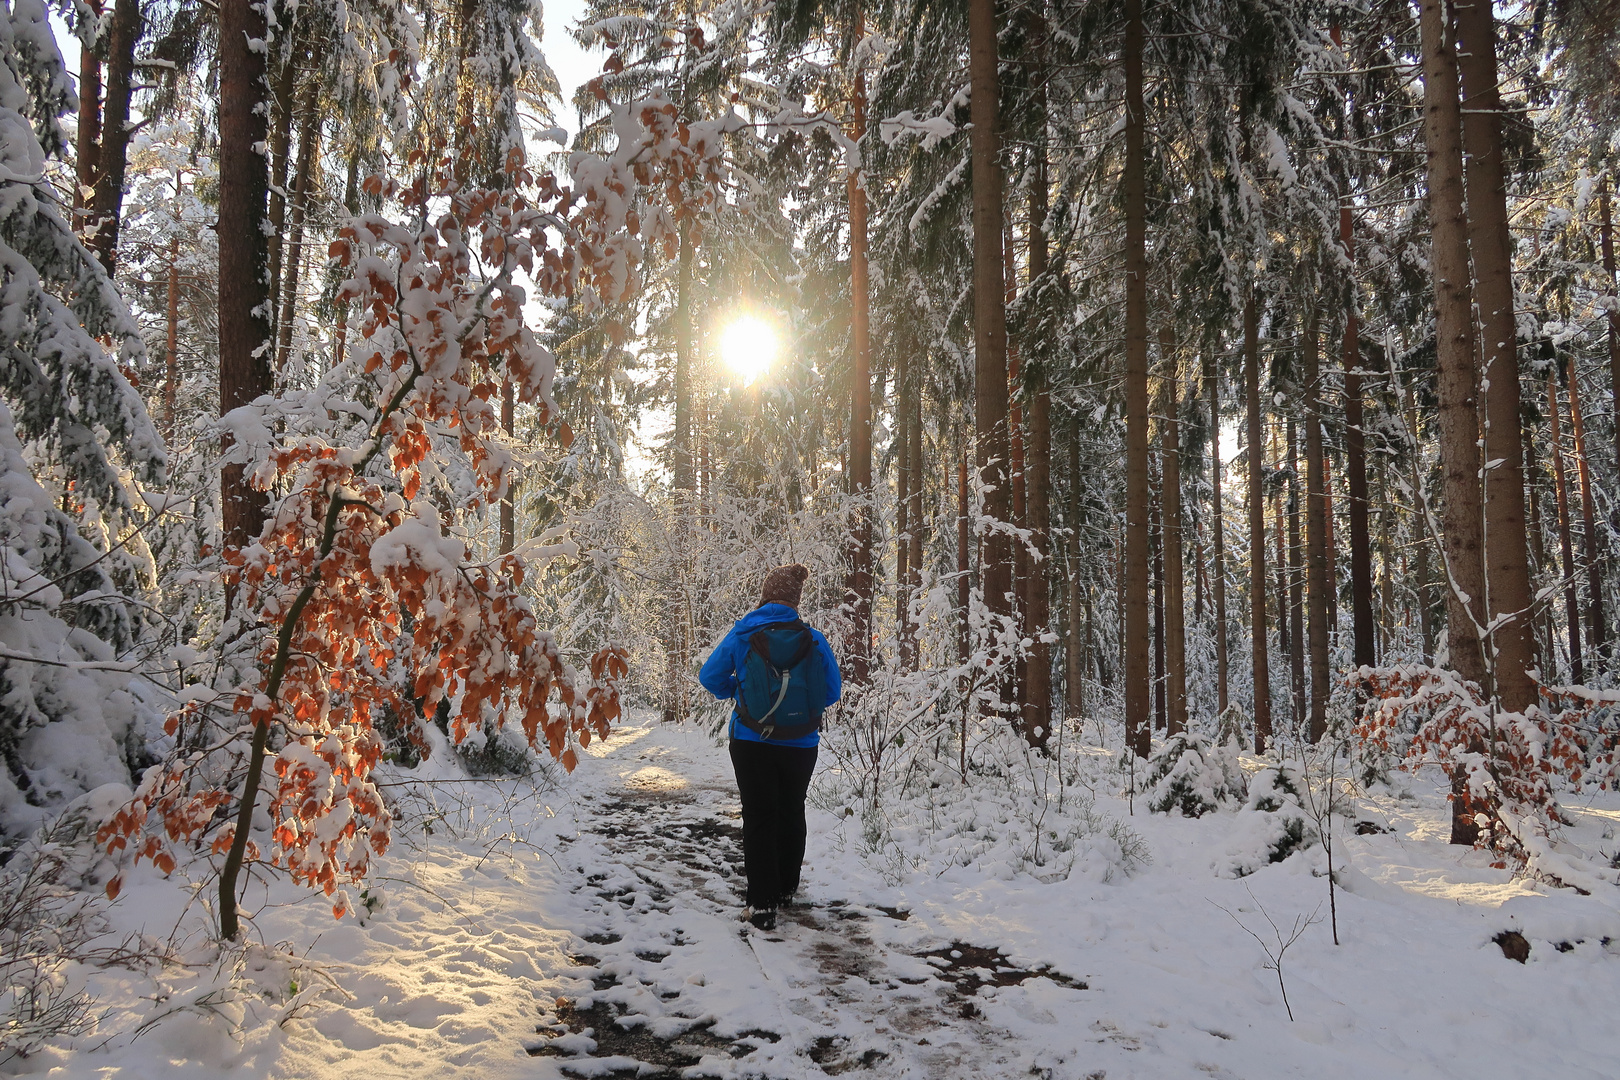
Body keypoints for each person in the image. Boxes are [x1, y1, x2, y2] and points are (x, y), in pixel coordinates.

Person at [698, 563, 841, 931]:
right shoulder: (814, 639)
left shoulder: (743, 634)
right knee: (792, 810)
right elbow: (831, 693)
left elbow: (709, 676)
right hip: (802, 743)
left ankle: (762, 905)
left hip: (751, 740)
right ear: (796, 601)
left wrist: (739, 694)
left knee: (760, 816)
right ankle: (786, 890)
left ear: (764, 596)